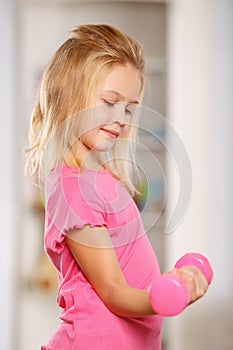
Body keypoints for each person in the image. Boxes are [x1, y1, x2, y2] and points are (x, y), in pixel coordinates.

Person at [25, 24, 209, 350]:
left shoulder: (99, 180)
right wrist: (163, 299)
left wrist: (170, 284)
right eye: (109, 101)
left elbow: (128, 271)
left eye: (129, 107)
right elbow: (111, 290)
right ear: (69, 96)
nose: (121, 117)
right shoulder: (73, 187)